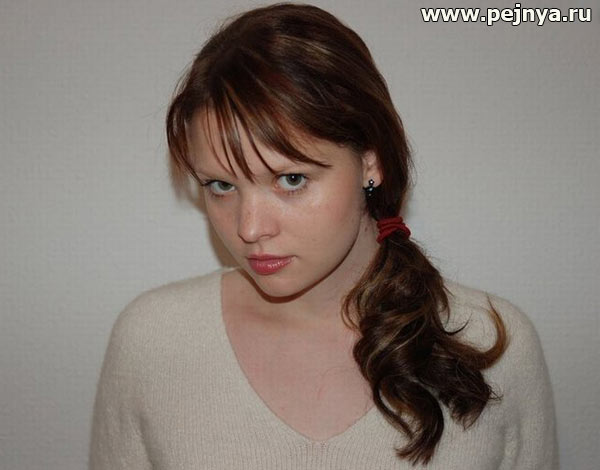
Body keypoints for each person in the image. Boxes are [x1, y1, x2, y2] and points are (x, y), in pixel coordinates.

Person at [89, 2, 558, 469]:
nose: (250, 228)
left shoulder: (491, 346)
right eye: (221, 186)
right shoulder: (153, 340)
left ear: (370, 163)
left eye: (291, 179)